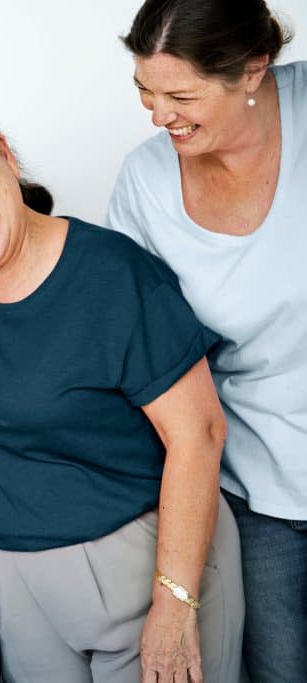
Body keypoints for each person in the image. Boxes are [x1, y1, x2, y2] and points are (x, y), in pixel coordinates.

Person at [0, 88, 243, 682]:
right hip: (13, 583)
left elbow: (199, 435)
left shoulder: (115, 276)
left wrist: (174, 605)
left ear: (4, 155)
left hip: (147, 564)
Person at [106, 1, 304, 679]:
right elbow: (111, 310)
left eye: (181, 95)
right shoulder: (146, 181)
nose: (159, 115)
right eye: (145, 92)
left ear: (253, 70)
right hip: (259, 491)